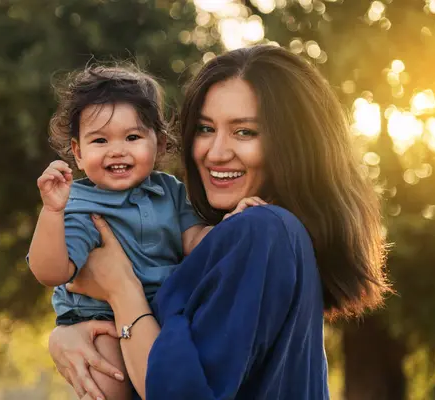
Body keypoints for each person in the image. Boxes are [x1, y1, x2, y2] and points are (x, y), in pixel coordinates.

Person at [48, 45, 391, 400]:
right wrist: (67, 334)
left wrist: (121, 290)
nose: (216, 152)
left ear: (292, 144)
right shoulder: (248, 237)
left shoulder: (262, 231)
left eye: (245, 132)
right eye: (205, 128)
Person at [27, 65, 264, 400]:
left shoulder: (170, 191)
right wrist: (52, 212)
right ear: (78, 153)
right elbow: (52, 271)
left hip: (161, 316)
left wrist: (231, 228)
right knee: (107, 385)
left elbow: (194, 240)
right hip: (100, 320)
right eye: (99, 140)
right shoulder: (80, 204)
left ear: (161, 143)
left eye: (133, 137)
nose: (117, 150)